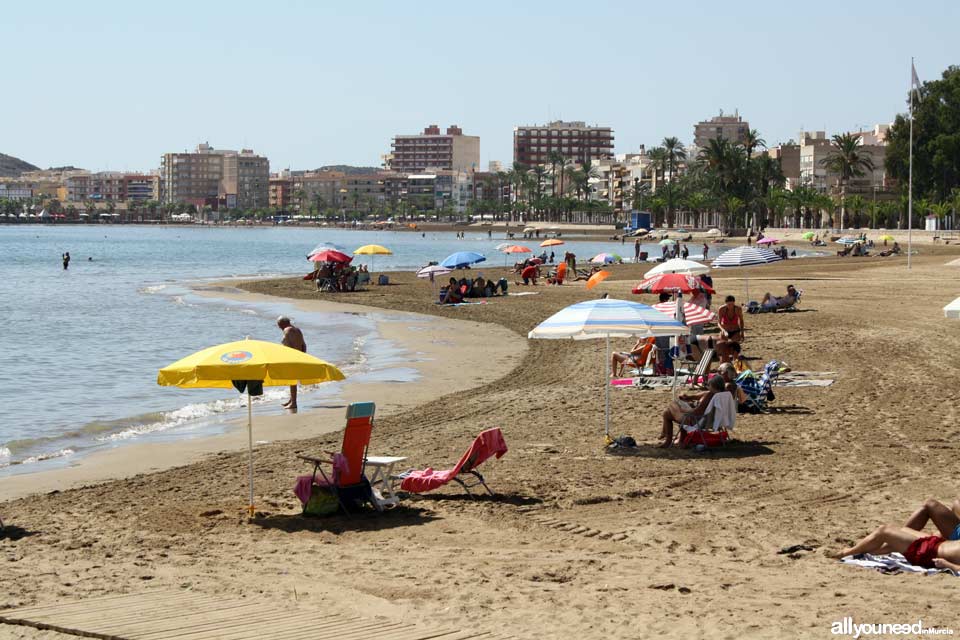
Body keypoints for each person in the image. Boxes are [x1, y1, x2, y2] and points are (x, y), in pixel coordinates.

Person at [837, 524, 960, 571]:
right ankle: (868, 550)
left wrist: (947, 565)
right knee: (901, 529)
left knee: (884, 531)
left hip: (929, 553)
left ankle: (848, 552)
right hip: (937, 544)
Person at [659, 376, 725, 447]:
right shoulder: (722, 395)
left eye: (709, 385)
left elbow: (696, 412)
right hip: (710, 420)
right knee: (668, 412)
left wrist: (683, 409)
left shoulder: (710, 395)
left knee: (671, 407)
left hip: (695, 421)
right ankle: (680, 440)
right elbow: (701, 407)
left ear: (714, 386)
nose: (708, 386)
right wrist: (689, 402)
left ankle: (667, 440)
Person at [277, 316, 306, 410]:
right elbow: (303, 345)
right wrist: (303, 356)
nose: (279, 327)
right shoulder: (297, 330)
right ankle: (291, 400)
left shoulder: (286, 330)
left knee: (292, 381)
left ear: (282, 324)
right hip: (299, 356)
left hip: (292, 358)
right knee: (292, 380)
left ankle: (294, 403)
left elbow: (289, 346)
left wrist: (288, 357)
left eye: (279, 325)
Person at [716, 295, 745, 363]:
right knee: (724, 350)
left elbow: (741, 321)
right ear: (725, 303)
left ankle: (736, 365)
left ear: (734, 303)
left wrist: (742, 332)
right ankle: (725, 364)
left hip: (735, 330)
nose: (730, 306)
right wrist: (723, 330)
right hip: (725, 331)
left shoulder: (738, 309)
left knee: (735, 349)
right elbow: (718, 323)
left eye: (732, 304)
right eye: (728, 304)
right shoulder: (722, 309)